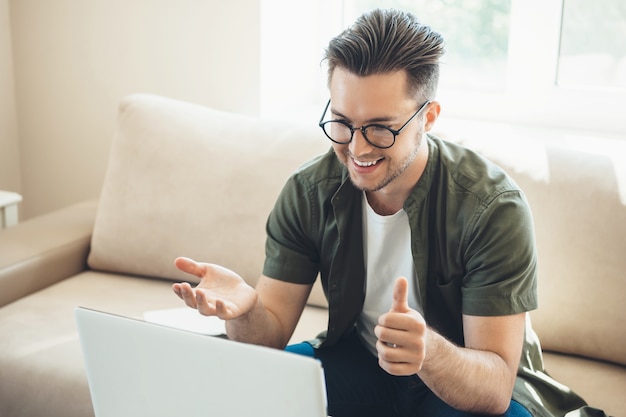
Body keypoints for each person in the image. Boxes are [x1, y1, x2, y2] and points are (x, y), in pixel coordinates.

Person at [172, 8, 601, 417]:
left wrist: (428, 352)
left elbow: (492, 389)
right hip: (360, 363)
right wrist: (247, 313)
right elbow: (269, 335)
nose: (357, 149)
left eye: (380, 128)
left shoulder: (492, 207)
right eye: (342, 122)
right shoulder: (308, 192)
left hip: (461, 385)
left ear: (428, 117)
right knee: (233, 385)